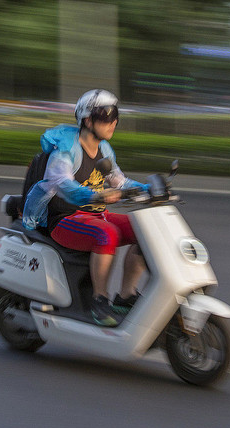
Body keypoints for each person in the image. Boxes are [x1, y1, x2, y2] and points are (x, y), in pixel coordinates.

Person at [22, 89, 148, 327]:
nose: (113, 121)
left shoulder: (104, 150)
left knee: (145, 230)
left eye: (115, 114)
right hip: (64, 219)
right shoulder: (67, 150)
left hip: (95, 214)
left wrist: (149, 189)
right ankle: (99, 302)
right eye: (106, 115)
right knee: (106, 234)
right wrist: (96, 194)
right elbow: (62, 184)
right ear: (87, 120)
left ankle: (126, 296)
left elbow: (119, 181)